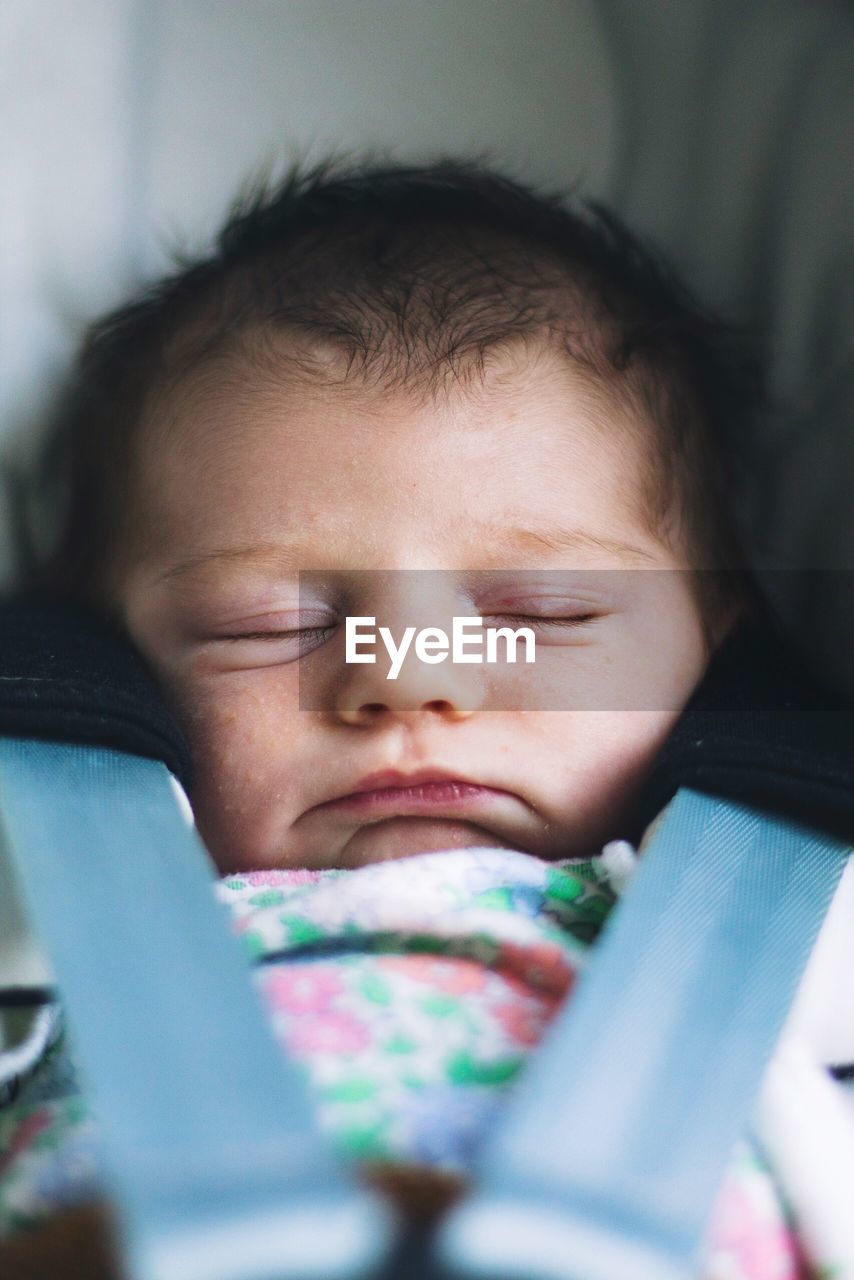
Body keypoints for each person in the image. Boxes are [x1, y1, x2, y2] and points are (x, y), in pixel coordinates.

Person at [1, 160, 850, 1279]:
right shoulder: (43, 922)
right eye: (266, 622)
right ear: (112, 658)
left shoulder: (804, 926)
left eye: (539, 611)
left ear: (709, 640)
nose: (405, 678)